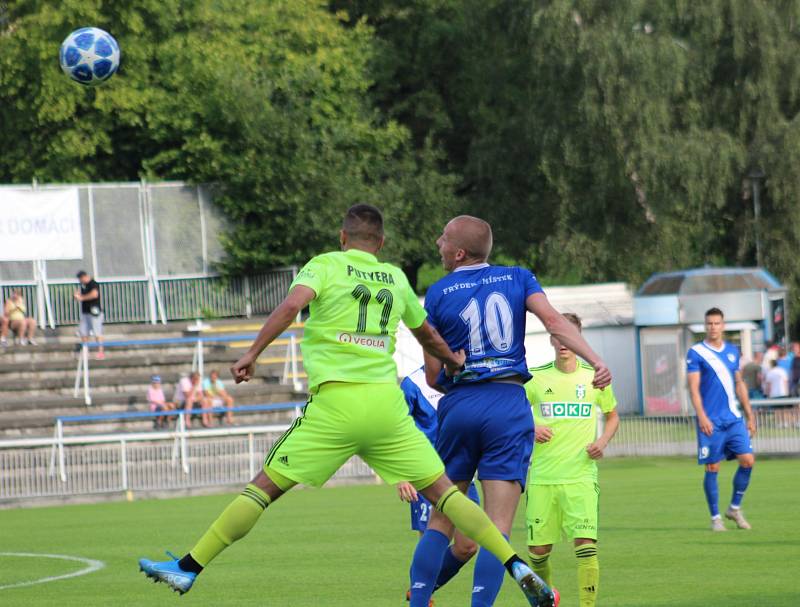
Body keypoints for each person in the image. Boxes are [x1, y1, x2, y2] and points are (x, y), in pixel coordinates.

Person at [138, 204, 554, 606]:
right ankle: (514, 563)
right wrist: (451, 360)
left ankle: (190, 566)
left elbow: (289, 307)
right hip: (386, 407)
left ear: (343, 237)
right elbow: (426, 334)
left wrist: (252, 353)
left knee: (262, 489)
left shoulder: (325, 265)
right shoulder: (393, 277)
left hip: (336, 404)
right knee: (447, 496)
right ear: (381, 241)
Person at [409, 215, 610, 607]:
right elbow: (553, 322)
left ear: (459, 252)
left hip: (460, 406)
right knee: (496, 527)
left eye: (444, 238)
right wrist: (596, 361)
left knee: (441, 519)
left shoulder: (437, 294)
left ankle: (417, 602)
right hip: (507, 404)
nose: (438, 243)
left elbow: (433, 377)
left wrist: (457, 373)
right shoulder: (518, 277)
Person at [524, 313, 619, 607]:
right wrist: (531, 427)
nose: (564, 343)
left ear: (578, 340)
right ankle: (548, 599)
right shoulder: (535, 378)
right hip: (543, 477)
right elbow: (509, 414)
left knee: (586, 546)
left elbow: (613, 415)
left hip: (581, 477)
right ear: (552, 338)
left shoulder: (594, 378)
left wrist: (602, 442)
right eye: (559, 336)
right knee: (538, 552)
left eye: (570, 336)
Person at [397, 365, 480, 604]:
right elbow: (396, 429)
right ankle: (422, 599)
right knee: (431, 541)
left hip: (462, 474)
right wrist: (402, 476)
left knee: (467, 546)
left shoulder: (466, 377)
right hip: (426, 476)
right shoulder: (412, 384)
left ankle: (421, 591)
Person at [686, 307, 756, 532]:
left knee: (748, 460)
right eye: (709, 324)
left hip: (733, 419)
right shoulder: (696, 352)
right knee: (712, 467)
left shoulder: (733, 351)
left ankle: (734, 508)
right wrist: (702, 417)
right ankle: (716, 517)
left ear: (723, 325)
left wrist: (750, 414)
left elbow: (739, 383)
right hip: (711, 421)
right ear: (705, 326)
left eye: (717, 323)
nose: (713, 327)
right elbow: (694, 389)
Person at [74, 271, 105, 360]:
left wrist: (82, 298)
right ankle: (85, 352)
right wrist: (76, 296)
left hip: (95, 313)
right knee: (83, 332)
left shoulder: (93, 284)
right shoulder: (83, 286)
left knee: (97, 332)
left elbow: (94, 294)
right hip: (85, 313)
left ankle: (100, 352)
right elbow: (80, 295)